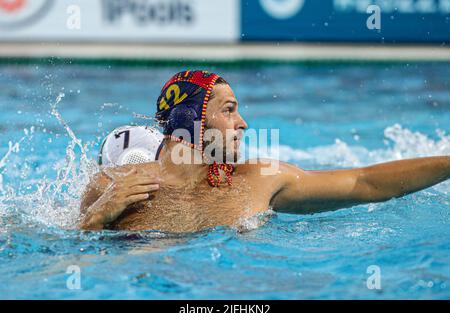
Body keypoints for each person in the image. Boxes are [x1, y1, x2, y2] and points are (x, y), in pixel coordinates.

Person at [80, 70, 450, 232]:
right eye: (229, 110)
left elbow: (365, 182)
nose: (243, 123)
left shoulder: (259, 180)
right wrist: (96, 220)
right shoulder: (113, 187)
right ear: (191, 120)